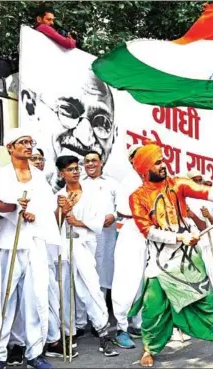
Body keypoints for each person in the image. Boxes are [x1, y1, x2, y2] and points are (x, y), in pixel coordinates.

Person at [127, 142, 213, 367]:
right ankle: (149, 349)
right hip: (161, 263)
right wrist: (179, 238)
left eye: (163, 160)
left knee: (206, 302)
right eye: (158, 162)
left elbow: (209, 193)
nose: (164, 165)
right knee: (153, 309)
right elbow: (148, 231)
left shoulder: (177, 184)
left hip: (188, 259)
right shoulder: (137, 197)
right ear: (145, 169)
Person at [0, 128, 61, 369]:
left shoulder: (38, 177)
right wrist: (15, 207)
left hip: (34, 244)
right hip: (8, 244)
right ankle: (0, 353)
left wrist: (40, 215)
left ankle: (35, 352)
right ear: (10, 148)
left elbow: (46, 211)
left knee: (36, 298)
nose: (28, 146)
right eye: (22, 142)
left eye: (30, 142)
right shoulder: (2, 175)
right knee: (3, 300)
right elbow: (0, 205)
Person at [54, 155, 119, 357]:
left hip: (84, 244)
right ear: (61, 173)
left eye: (76, 168)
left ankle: (103, 332)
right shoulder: (58, 195)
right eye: (70, 169)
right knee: (65, 289)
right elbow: (53, 224)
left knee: (91, 287)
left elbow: (106, 218)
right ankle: (68, 333)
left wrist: (78, 221)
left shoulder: (92, 192)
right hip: (64, 246)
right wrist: (63, 211)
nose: (75, 172)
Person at [19, 68, 115, 191]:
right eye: (69, 110)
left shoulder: (110, 187)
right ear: (31, 106)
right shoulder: (26, 181)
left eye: (101, 122)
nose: (86, 138)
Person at [111, 145, 146, 349]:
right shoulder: (129, 181)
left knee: (144, 281)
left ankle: (137, 324)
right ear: (132, 159)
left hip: (150, 233)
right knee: (127, 282)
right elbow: (124, 210)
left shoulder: (151, 180)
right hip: (132, 231)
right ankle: (121, 328)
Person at [185, 169, 213, 327]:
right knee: (197, 281)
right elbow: (196, 225)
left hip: (212, 242)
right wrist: (193, 216)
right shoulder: (184, 201)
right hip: (194, 244)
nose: (199, 183)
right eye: (195, 180)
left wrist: (208, 215)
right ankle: (200, 317)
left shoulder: (208, 199)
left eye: (200, 180)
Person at [81, 151, 119, 296]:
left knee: (104, 266)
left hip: (106, 233)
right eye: (87, 161)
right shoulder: (79, 184)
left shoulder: (112, 183)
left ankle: (102, 310)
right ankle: (85, 315)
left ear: (101, 162)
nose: (90, 164)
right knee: (86, 267)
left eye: (94, 160)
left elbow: (122, 207)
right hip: (84, 233)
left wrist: (114, 216)